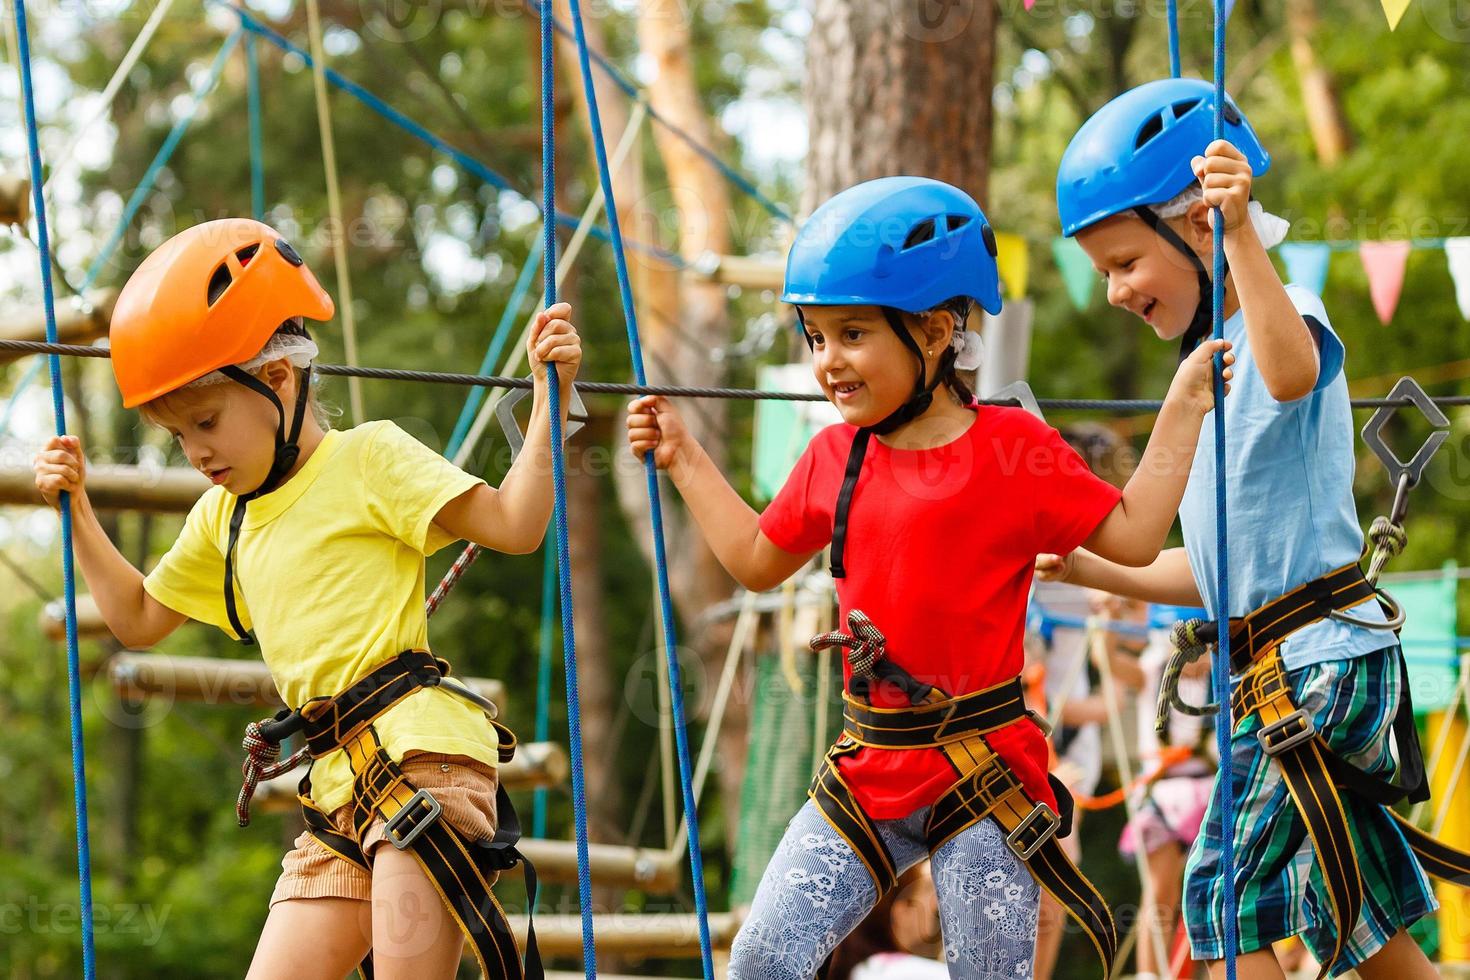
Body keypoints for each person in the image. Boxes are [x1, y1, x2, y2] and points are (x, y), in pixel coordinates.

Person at [626, 174, 1232, 978]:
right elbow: (755, 561)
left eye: (851, 335)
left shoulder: (1014, 449)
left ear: (937, 330)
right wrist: (684, 456)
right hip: (868, 769)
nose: (827, 362)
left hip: (984, 775)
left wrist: (1183, 406)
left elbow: (1133, 533)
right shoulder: (834, 459)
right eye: (814, 339)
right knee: (761, 961)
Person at [32, 218, 581, 979]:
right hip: (335, 789)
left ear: (278, 379)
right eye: (177, 436)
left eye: (206, 421)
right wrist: (78, 512)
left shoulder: (369, 458)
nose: (196, 452)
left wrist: (550, 398)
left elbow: (516, 524)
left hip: (420, 757)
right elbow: (136, 619)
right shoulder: (222, 519)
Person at [1042, 78, 1441, 979]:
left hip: (1320, 666)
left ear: (1194, 230)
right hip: (1282, 666)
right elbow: (1221, 573)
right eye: (1101, 269)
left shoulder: (1282, 312)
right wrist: (1089, 568)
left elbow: (1295, 370)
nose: (1111, 291)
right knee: (1356, 914)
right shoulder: (1203, 375)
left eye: (1123, 263)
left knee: (1221, 899)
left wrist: (1242, 235)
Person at [827, 862, 947, 980]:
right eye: (927, 890)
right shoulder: (899, 972)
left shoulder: (866, 969)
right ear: (902, 912)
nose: (936, 903)